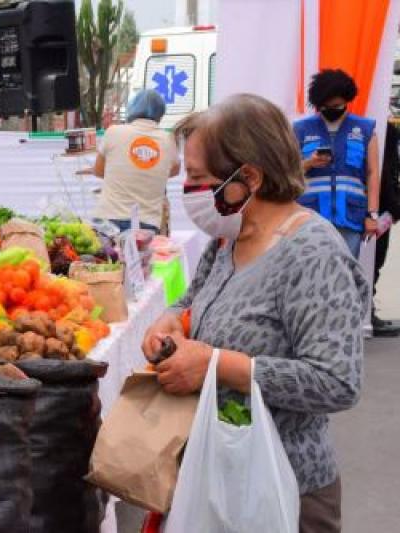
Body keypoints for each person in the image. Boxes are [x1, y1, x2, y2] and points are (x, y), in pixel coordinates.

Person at [143, 94, 368, 532]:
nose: (189, 191)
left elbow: (337, 383)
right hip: (217, 479)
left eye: (198, 178)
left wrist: (214, 364)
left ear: (248, 177)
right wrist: (169, 319)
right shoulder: (228, 238)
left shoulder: (312, 253)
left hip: (284, 490)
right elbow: (191, 299)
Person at [293, 69, 380, 258]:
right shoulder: (300, 129)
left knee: (345, 277)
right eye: (325, 106)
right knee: (310, 278)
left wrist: (372, 215)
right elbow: (288, 173)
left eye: (337, 105)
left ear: (347, 100)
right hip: (309, 219)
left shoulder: (365, 129)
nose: (331, 109)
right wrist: (309, 163)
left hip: (350, 217)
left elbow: (373, 173)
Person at [91, 89, 180, 233]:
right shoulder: (168, 139)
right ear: (161, 113)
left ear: (132, 108)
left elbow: (99, 171)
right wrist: (148, 173)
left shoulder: (113, 132)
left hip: (108, 220)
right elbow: (175, 170)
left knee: (104, 256)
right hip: (147, 224)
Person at [372, 121, 400, 336]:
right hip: (362, 208)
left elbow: (391, 168)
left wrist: (394, 205)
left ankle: (369, 311)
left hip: (384, 208)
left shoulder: (389, 130)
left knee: (377, 260)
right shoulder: (361, 127)